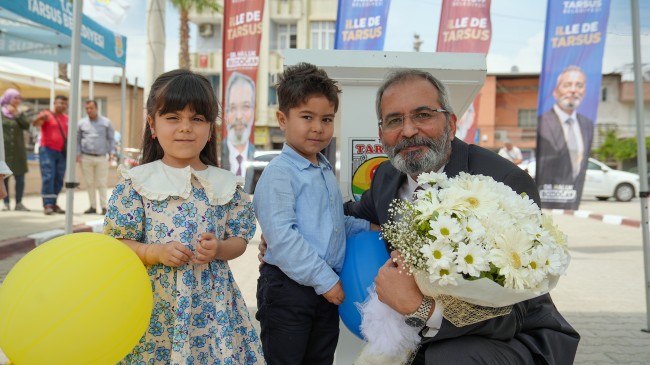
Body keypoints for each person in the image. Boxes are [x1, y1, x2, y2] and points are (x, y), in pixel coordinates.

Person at [343, 69, 579, 364]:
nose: (408, 130)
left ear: (451, 123)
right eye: (394, 120)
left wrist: (423, 309)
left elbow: (518, 308)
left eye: (423, 115)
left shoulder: (503, 180)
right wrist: (283, 230)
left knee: (448, 357)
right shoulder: (387, 179)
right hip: (419, 335)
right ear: (381, 135)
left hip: (513, 338)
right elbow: (347, 214)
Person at [103, 69, 264, 364]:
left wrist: (219, 248)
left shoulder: (227, 184)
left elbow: (240, 240)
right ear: (153, 123)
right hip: (154, 307)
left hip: (213, 310)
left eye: (197, 119)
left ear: (210, 128)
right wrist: (153, 252)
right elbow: (117, 243)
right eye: (173, 117)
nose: (185, 128)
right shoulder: (136, 183)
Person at [253, 62, 377, 365]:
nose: (317, 128)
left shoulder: (322, 169)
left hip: (323, 290)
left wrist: (370, 228)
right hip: (288, 290)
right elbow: (283, 238)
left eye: (326, 119)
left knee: (320, 359)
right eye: (306, 117)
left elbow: (334, 224)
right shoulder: (280, 174)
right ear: (283, 119)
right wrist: (326, 281)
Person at [537, 65, 594, 196]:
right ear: (555, 92)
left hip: (574, 194)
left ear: (584, 91)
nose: (573, 90)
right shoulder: (542, 122)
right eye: (567, 85)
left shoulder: (588, 124)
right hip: (551, 193)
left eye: (579, 85)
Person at [76, 99, 115, 215]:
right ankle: (92, 206)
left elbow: (111, 139)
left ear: (97, 108)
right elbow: (77, 140)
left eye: (91, 108)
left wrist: (112, 152)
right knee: (89, 182)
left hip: (101, 157)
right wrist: (77, 153)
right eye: (87, 108)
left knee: (102, 182)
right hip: (86, 157)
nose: (89, 110)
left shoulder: (106, 122)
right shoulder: (81, 123)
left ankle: (104, 207)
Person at [32, 95, 69, 215]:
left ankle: (53, 203)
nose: (62, 105)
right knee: (49, 176)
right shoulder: (47, 114)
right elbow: (35, 124)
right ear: (54, 103)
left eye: (64, 103)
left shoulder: (67, 118)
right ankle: (47, 203)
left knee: (59, 178)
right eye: (60, 103)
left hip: (62, 152)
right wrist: (40, 118)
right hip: (47, 150)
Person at [221, 72, 256, 184]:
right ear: (226, 113)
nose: (239, 116)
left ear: (253, 112)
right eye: (233, 108)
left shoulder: (260, 160)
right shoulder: (214, 157)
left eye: (245, 107)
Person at [1, 88, 31, 211]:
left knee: (20, 179)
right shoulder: (1, 112)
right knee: (4, 178)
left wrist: (16, 114)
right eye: (15, 98)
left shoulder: (20, 113)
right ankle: (6, 203)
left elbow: (26, 125)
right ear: (8, 98)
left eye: (19, 98)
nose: (18, 100)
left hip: (18, 152)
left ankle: (19, 203)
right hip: (4, 151)